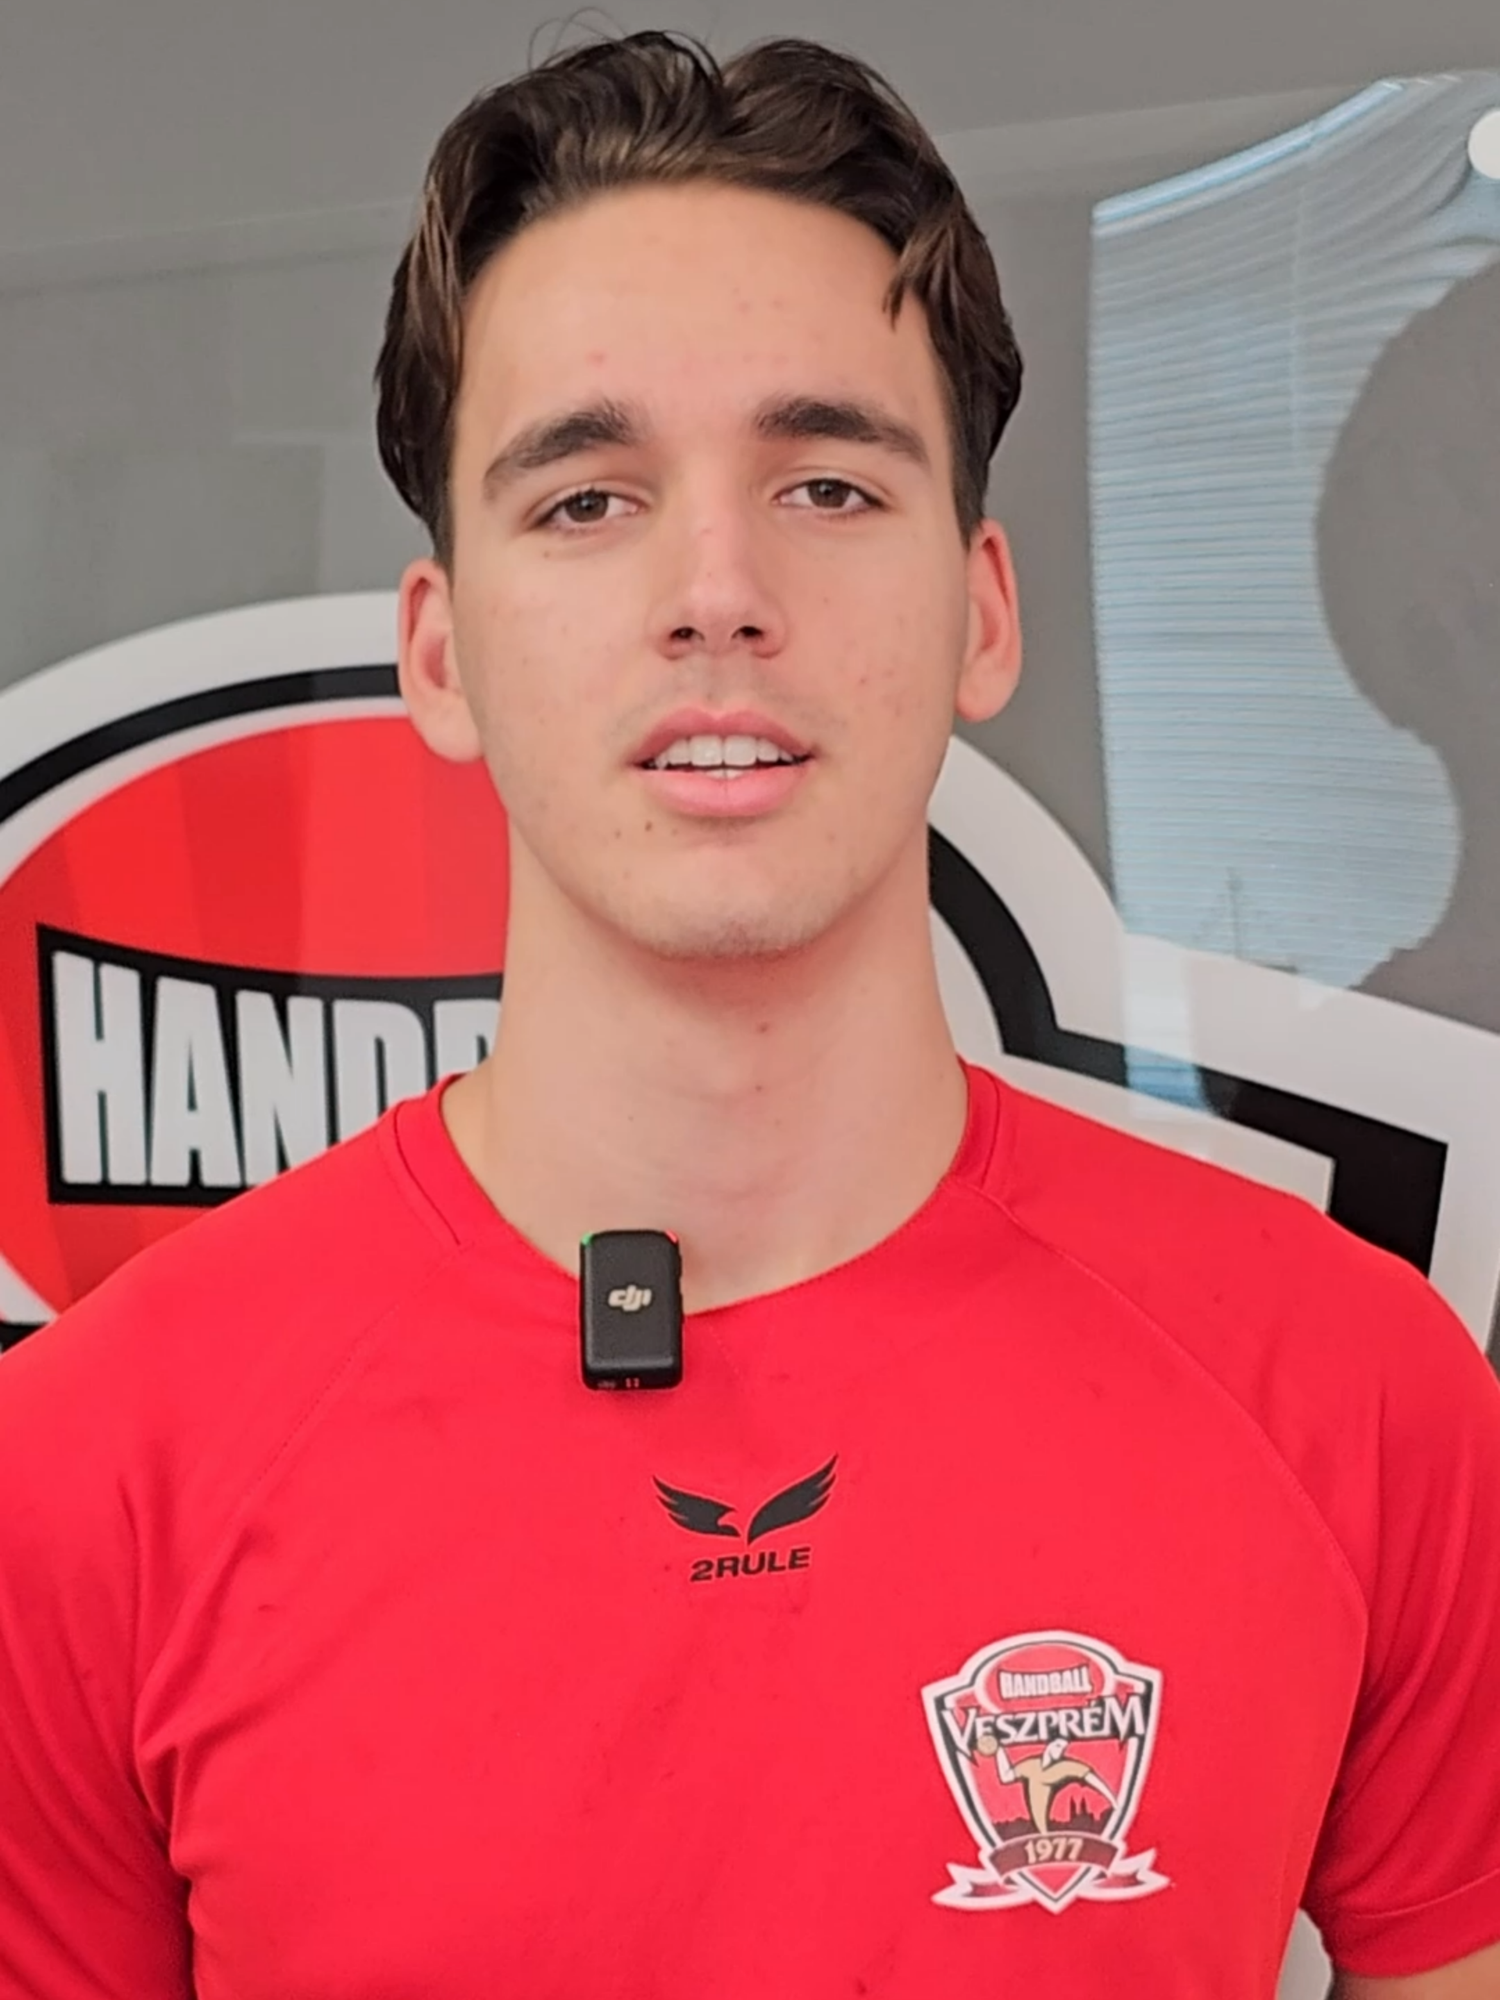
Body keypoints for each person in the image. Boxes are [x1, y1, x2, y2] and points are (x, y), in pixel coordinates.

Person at [1, 31, 1498, 2000]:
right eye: (586, 500)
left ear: (981, 614)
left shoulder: (1359, 1395)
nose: (718, 589)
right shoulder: (91, 1472)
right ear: (440, 656)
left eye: (826, 482)